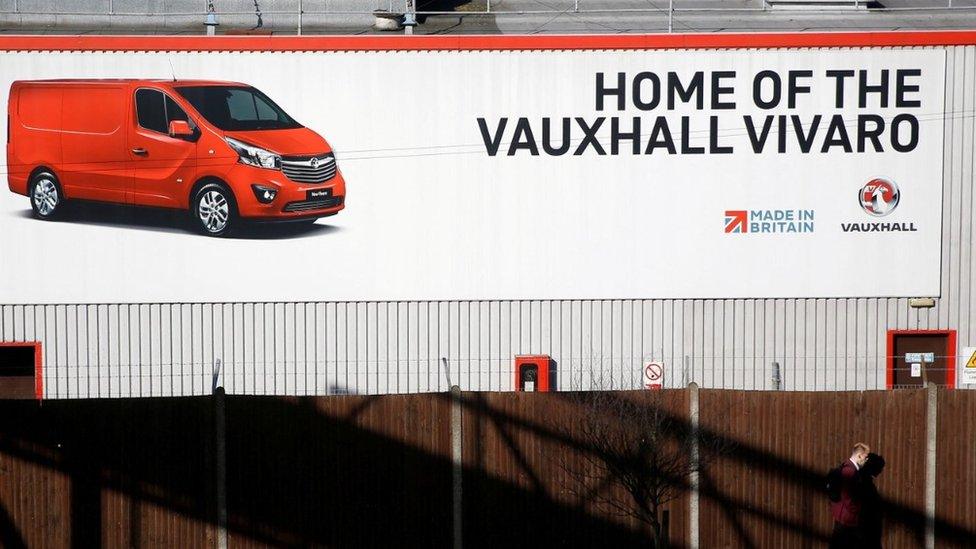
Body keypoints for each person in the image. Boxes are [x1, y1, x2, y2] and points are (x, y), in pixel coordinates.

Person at [829, 442, 870, 548]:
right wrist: (856, 510)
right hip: (847, 518)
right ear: (859, 455)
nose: (866, 460)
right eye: (866, 457)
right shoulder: (850, 471)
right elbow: (846, 496)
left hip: (845, 517)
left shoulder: (849, 467)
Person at [859, 452, 886, 548]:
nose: (880, 471)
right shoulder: (865, 483)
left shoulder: (863, 480)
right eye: (879, 467)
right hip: (867, 530)